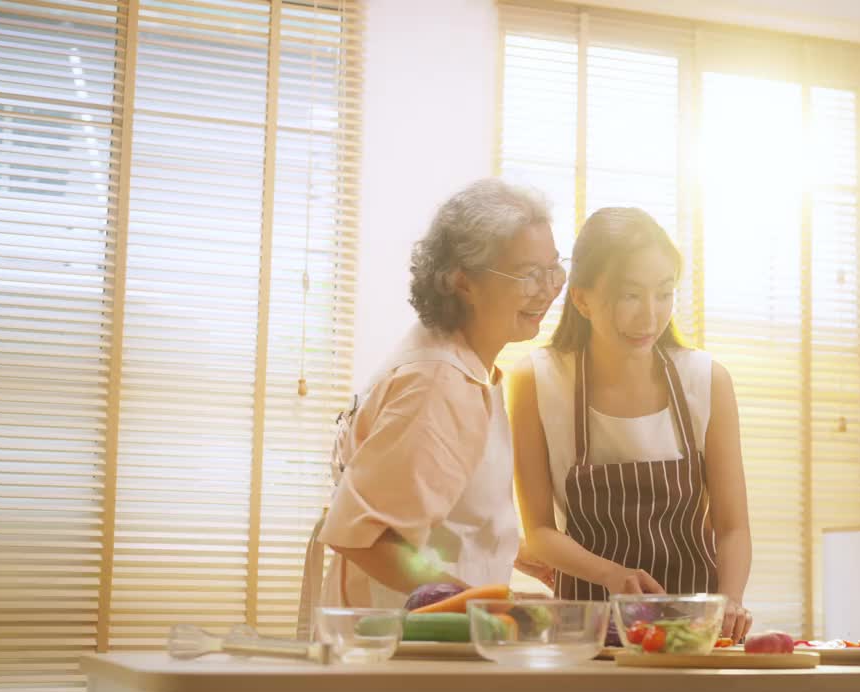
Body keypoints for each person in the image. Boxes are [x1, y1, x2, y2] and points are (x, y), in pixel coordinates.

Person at [297, 179, 562, 637]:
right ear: (463, 281)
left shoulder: (459, 363)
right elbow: (368, 537)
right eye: (527, 275)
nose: (547, 290)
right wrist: (491, 608)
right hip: (403, 651)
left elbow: (423, 510)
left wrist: (505, 546)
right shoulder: (439, 381)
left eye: (554, 270)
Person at [508, 207, 754, 642]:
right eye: (629, 296)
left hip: (692, 634)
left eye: (664, 293)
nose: (650, 317)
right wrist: (612, 575)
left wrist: (730, 602)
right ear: (582, 299)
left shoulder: (706, 379)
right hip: (587, 629)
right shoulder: (537, 381)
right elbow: (540, 532)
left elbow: (732, 526)